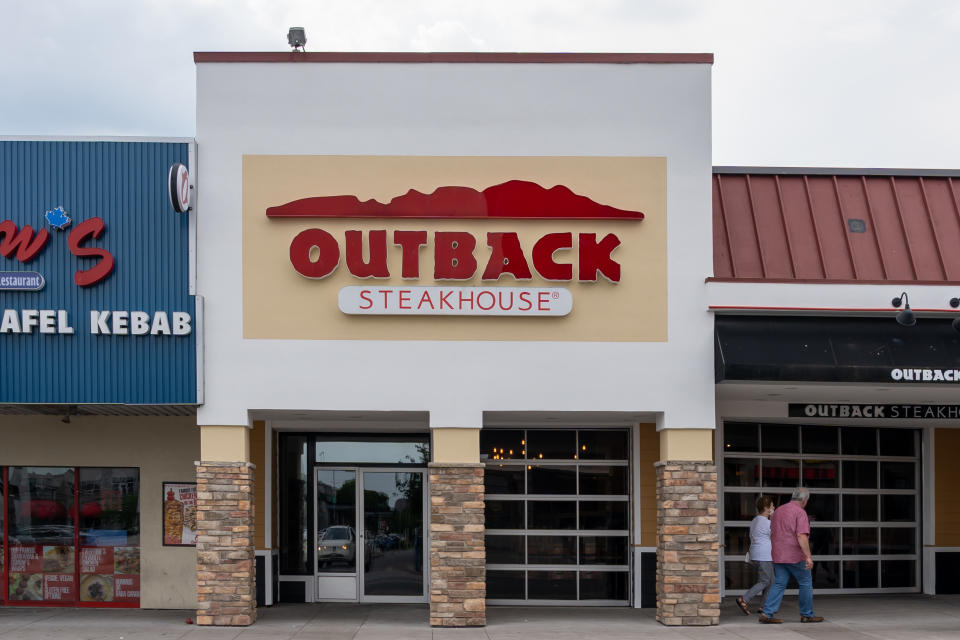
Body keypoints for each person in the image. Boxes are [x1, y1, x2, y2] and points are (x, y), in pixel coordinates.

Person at [758, 487, 824, 624]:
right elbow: (801, 535)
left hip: (778, 554)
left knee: (779, 583)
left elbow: (772, 533)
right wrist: (808, 556)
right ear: (805, 500)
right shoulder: (800, 512)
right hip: (794, 555)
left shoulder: (778, 511)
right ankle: (807, 615)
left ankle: (767, 613)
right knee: (805, 582)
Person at [736, 495, 774, 615]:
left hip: (756, 554)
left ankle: (764, 606)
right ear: (766, 508)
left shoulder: (755, 520)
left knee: (771, 581)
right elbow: (774, 537)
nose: (774, 508)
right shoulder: (767, 523)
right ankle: (744, 599)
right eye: (772, 506)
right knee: (765, 581)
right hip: (764, 555)